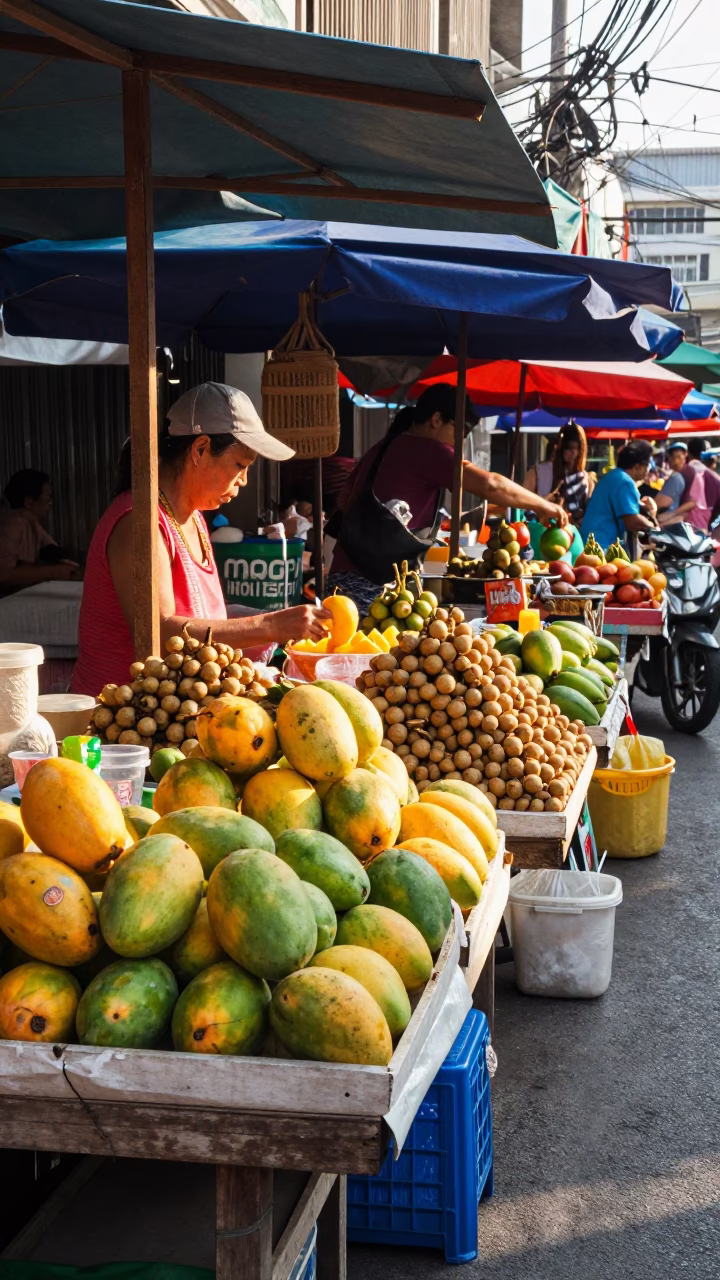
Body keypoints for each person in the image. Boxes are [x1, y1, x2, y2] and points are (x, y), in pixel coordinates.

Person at [71, 383, 330, 695]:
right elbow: (162, 632)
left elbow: (203, 619)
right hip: (121, 727)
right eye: (240, 465)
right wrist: (271, 625)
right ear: (200, 449)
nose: (244, 480)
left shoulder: (193, 518)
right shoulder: (138, 523)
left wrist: (265, 622)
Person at [327, 383, 568, 611]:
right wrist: (543, 505)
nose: (458, 442)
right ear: (436, 420)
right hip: (369, 586)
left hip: (341, 576)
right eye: (459, 431)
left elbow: (343, 501)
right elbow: (491, 485)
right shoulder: (427, 449)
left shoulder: (383, 446)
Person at [0, 469, 79, 593]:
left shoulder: (31, 522)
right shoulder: (14, 524)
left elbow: (49, 547)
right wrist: (56, 571)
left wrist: (61, 561)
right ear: (29, 502)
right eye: (47, 498)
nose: (50, 503)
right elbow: (4, 574)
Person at [581, 440, 658, 551]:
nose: (649, 469)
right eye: (648, 465)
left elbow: (622, 505)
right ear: (637, 466)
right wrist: (655, 530)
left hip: (592, 545)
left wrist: (643, 507)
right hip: (602, 548)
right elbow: (632, 521)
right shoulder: (625, 482)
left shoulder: (613, 476)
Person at [523, 422, 596, 526]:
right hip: (541, 533)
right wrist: (544, 505)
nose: (573, 453)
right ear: (559, 447)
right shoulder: (537, 473)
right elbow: (522, 508)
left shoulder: (586, 480)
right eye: (569, 447)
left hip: (575, 537)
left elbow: (590, 516)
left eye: (577, 448)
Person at [655, 442, 699, 528]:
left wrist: (671, 514)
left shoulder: (682, 475)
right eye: (672, 457)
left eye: (678, 457)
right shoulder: (680, 473)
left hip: (675, 519)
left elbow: (663, 502)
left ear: (685, 456)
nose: (675, 461)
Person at [680, 437, 720, 531]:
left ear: (688, 453)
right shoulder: (715, 479)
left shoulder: (684, 473)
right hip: (706, 530)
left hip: (684, 530)